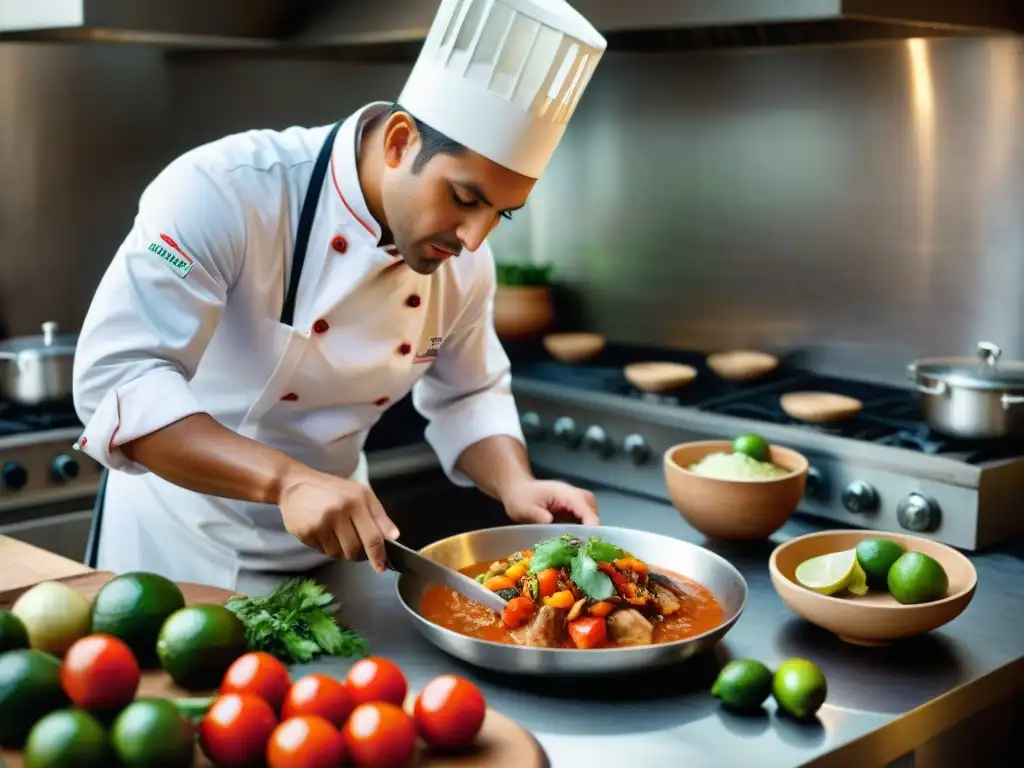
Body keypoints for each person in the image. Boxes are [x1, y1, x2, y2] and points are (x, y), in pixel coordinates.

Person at [71, 0, 608, 592]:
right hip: (175, 548)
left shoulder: (466, 262)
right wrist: (287, 481)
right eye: (463, 197)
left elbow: (469, 394)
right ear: (400, 143)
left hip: (337, 548)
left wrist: (515, 483)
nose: (475, 238)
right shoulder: (225, 192)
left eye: (501, 214)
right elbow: (119, 380)